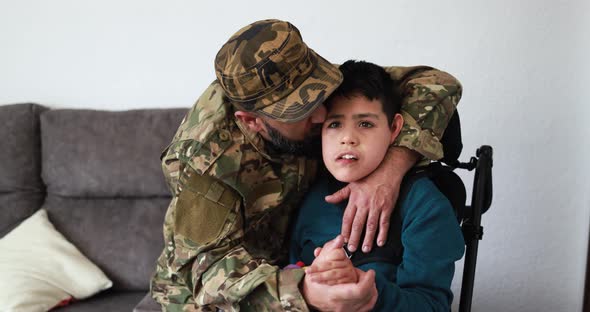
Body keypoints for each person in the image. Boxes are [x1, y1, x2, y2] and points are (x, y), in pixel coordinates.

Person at [150, 19, 462, 311]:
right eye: (298, 111)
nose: (321, 117)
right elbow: (208, 273)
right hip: (227, 288)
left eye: (318, 94)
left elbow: (437, 84)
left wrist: (389, 172)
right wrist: (303, 293)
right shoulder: (205, 163)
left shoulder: (293, 72)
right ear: (253, 121)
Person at [290, 60, 465, 311]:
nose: (348, 138)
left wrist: (372, 294)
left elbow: (431, 304)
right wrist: (308, 280)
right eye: (334, 124)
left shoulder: (425, 206)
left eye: (365, 124)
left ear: (394, 128)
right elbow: (290, 268)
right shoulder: (309, 196)